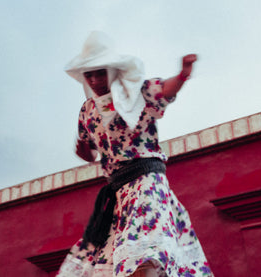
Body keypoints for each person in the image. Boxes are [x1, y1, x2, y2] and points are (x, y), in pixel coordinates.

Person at [57, 31, 214, 277]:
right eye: (90, 74)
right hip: (118, 195)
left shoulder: (137, 93)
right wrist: (84, 153)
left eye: (101, 72)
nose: (96, 79)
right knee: (113, 262)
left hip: (147, 184)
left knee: (146, 256)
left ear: (112, 70)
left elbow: (165, 89)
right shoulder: (87, 111)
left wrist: (183, 73)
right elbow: (93, 153)